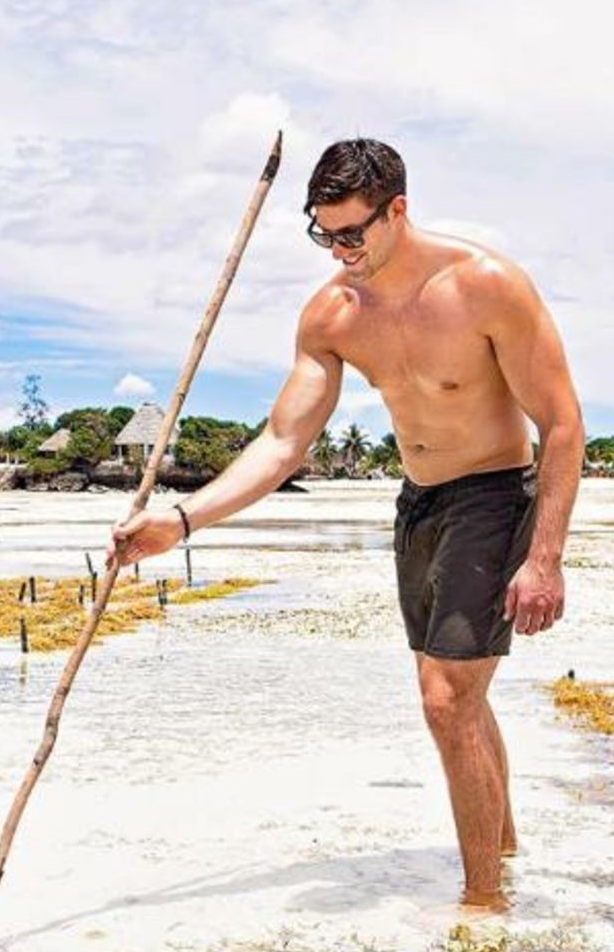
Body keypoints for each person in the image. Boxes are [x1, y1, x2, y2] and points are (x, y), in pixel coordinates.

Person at [110, 138, 584, 911]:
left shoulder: (485, 287)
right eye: (322, 234)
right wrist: (183, 520)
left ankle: (482, 906)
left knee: (443, 699)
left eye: (350, 233)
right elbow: (282, 441)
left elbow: (561, 423)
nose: (337, 252)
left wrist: (545, 557)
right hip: (419, 502)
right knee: (459, 697)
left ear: (396, 210)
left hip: (497, 493)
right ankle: (502, 847)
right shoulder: (332, 314)